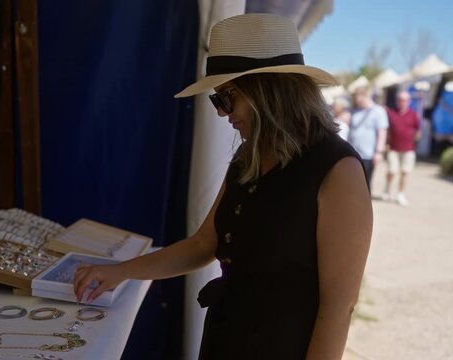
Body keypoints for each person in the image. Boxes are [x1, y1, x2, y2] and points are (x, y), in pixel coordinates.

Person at [73, 14, 372, 360]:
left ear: (268, 91)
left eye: (226, 98)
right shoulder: (250, 156)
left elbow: (337, 308)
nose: (222, 113)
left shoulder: (337, 169)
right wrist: (120, 272)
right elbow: (203, 245)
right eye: (218, 100)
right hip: (226, 336)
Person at [383, 91, 421, 206]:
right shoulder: (391, 113)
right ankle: (387, 188)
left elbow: (418, 131)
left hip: (409, 148)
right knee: (392, 171)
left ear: (409, 102)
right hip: (393, 148)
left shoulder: (414, 115)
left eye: (404, 100)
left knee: (405, 172)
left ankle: (400, 193)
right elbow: (386, 130)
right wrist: (386, 143)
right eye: (400, 100)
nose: (402, 102)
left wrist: (415, 141)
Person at [348, 86, 389, 187]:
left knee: (365, 184)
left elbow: (382, 132)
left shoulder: (378, 111)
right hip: (353, 153)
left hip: (368, 155)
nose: (357, 100)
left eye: (359, 97)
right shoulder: (355, 111)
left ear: (366, 96)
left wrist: (379, 152)